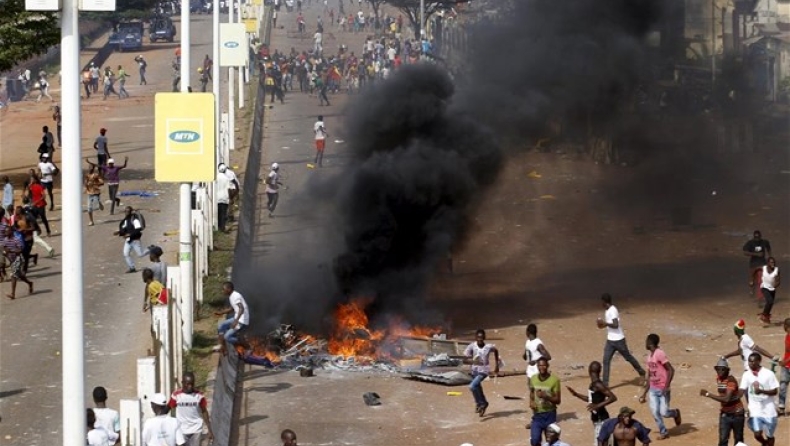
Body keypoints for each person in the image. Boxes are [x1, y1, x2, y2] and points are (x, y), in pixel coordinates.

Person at [638, 333, 680, 440]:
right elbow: (650, 376)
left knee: (664, 412)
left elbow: (671, 369)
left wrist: (666, 386)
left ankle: (675, 413)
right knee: (655, 412)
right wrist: (644, 394)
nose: (645, 343)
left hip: (662, 389)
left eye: (646, 341)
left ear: (650, 343)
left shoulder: (659, 353)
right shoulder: (649, 358)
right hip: (653, 389)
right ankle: (663, 432)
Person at [597, 293, 646, 385]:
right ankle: (605, 384)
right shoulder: (607, 311)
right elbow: (609, 325)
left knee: (628, 357)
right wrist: (601, 325)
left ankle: (642, 372)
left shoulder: (613, 310)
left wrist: (605, 323)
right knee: (606, 360)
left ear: (604, 301)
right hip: (610, 340)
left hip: (619, 340)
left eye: (602, 302)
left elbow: (615, 325)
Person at [567, 361, 617, 445]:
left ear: (589, 370)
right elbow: (591, 400)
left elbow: (613, 397)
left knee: (600, 443)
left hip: (602, 420)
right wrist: (576, 394)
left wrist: (597, 405)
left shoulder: (598, 384)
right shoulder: (594, 384)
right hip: (597, 419)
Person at [700, 357, 745, 446]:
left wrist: (708, 394)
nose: (720, 371)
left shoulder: (731, 381)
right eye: (718, 369)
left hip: (737, 414)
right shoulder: (719, 378)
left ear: (727, 370)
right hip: (725, 413)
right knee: (722, 440)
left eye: (722, 369)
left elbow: (726, 399)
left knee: (738, 440)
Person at [740, 353, 779, 446]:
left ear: (759, 361)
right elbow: (742, 390)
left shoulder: (769, 374)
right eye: (749, 361)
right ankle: (764, 443)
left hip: (769, 409)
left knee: (770, 435)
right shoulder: (746, 374)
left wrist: (762, 391)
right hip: (755, 409)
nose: (751, 363)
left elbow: (774, 391)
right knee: (757, 434)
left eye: (753, 361)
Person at [168, 372, 214, 446]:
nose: (190, 386)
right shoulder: (176, 396)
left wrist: (209, 429)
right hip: (181, 430)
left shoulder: (199, 396)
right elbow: (168, 408)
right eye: (188, 384)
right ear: (182, 383)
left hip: (196, 430)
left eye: (192, 384)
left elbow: (204, 411)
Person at [463, 328, 500, 417]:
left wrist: (497, 365)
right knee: (477, 388)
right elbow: (465, 357)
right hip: (474, 370)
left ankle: (481, 403)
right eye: (478, 337)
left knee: (472, 386)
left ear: (484, 338)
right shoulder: (472, 346)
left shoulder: (488, 347)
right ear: (476, 337)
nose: (480, 339)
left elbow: (496, 350)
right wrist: (471, 361)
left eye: (482, 338)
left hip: (483, 371)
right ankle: (482, 403)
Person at [529, 357, 561, 446]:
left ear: (547, 366)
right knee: (535, 440)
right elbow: (531, 393)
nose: (541, 367)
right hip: (537, 416)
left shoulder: (554, 380)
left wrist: (545, 396)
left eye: (543, 365)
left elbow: (558, 400)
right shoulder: (533, 378)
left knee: (550, 441)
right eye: (539, 365)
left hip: (550, 415)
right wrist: (531, 402)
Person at [213, 281, 250, 354]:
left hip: (241, 320)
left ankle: (246, 346)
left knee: (227, 337)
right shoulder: (231, 296)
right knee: (221, 325)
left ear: (229, 289)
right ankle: (222, 347)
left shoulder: (236, 296)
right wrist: (221, 313)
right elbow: (232, 308)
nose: (222, 291)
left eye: (224, 289)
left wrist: (236, 321)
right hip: (237, 317)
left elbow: (241, 308)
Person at [3, 224, 33, 299]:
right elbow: (5, 248)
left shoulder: (16, 239)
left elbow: (20, 250)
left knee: (13, 275)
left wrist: (11, 251)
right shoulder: (5, 240)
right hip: (12, 260)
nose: (5, 232)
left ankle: (13, 294)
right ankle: (29, 283)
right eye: (5, 231)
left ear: (11, 232)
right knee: (20, 276)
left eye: (7, 231)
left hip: (18, 259)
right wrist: (6, 254)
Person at [114, 206, 147, 273]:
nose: (126, 213)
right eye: (125, 211)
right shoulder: (126, 220)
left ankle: (150, 249)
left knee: (140, 255)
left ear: (131, 212)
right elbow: (124, 229)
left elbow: (138, 230)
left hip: (135, 240)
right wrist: (119, 232)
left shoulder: (134, 220)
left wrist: (129, 234)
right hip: (128, 240)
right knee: (126, 254)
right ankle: (132, 268)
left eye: (128, 211)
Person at [744, 230, 772, 298]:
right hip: (753, 263)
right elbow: (745, 252)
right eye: (756, 238)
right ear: (754, 237)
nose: (757, 239)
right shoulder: (750, 243)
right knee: (752, 278)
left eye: (758, 237)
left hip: (762, 262)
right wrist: (756, 254)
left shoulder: (764, 242)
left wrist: (770, 257)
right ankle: (751, 289)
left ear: (760, 236)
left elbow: (768, 249)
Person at [758, 257, 780, 324]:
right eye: (771, 262)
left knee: (771, 303)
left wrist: (775, 285)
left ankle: (766, 316)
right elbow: (754, 270)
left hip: (772, 289)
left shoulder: (777, 270)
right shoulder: (764, 268)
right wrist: (751, 279)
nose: (773, 263)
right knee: (769, 301)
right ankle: (763, 315)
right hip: (764, 287)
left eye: (773, 262)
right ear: (768, 263)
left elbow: (778, 281)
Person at [779, 318, 790, 416]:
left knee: (783, 385)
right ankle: (781, 407)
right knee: (782, 385)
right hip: (786, 365)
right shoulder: (787, 336)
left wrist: (784, 361)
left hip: (787, 364)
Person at [216, 163, 231, 231]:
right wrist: (230, 198)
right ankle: (222, 227)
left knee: (218, 213)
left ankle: (218, 227)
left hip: (217, 198)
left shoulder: (216, 177)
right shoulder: (226, 178)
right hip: (224, 198)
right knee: (223, 214)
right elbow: (228, 189)